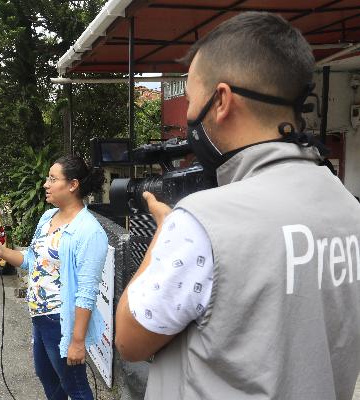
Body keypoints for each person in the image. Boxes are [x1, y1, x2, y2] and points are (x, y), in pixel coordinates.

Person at [115, 12, 360, 400]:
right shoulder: (348, 206)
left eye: (194, 102)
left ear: (222, 101)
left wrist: (164, 230)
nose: (191, 118)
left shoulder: (201, 222)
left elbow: (129, 341)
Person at [0, 155, 108, 400]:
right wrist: (1, 251)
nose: (45, 184)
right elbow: (31, 260)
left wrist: (77, 341)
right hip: (40, 317)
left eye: (53, 179)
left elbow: (87, 292)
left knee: (75, 387)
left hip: (61, 320)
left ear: (73, 185)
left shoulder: (90, 231)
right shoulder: (47, 218)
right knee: (47, 378)